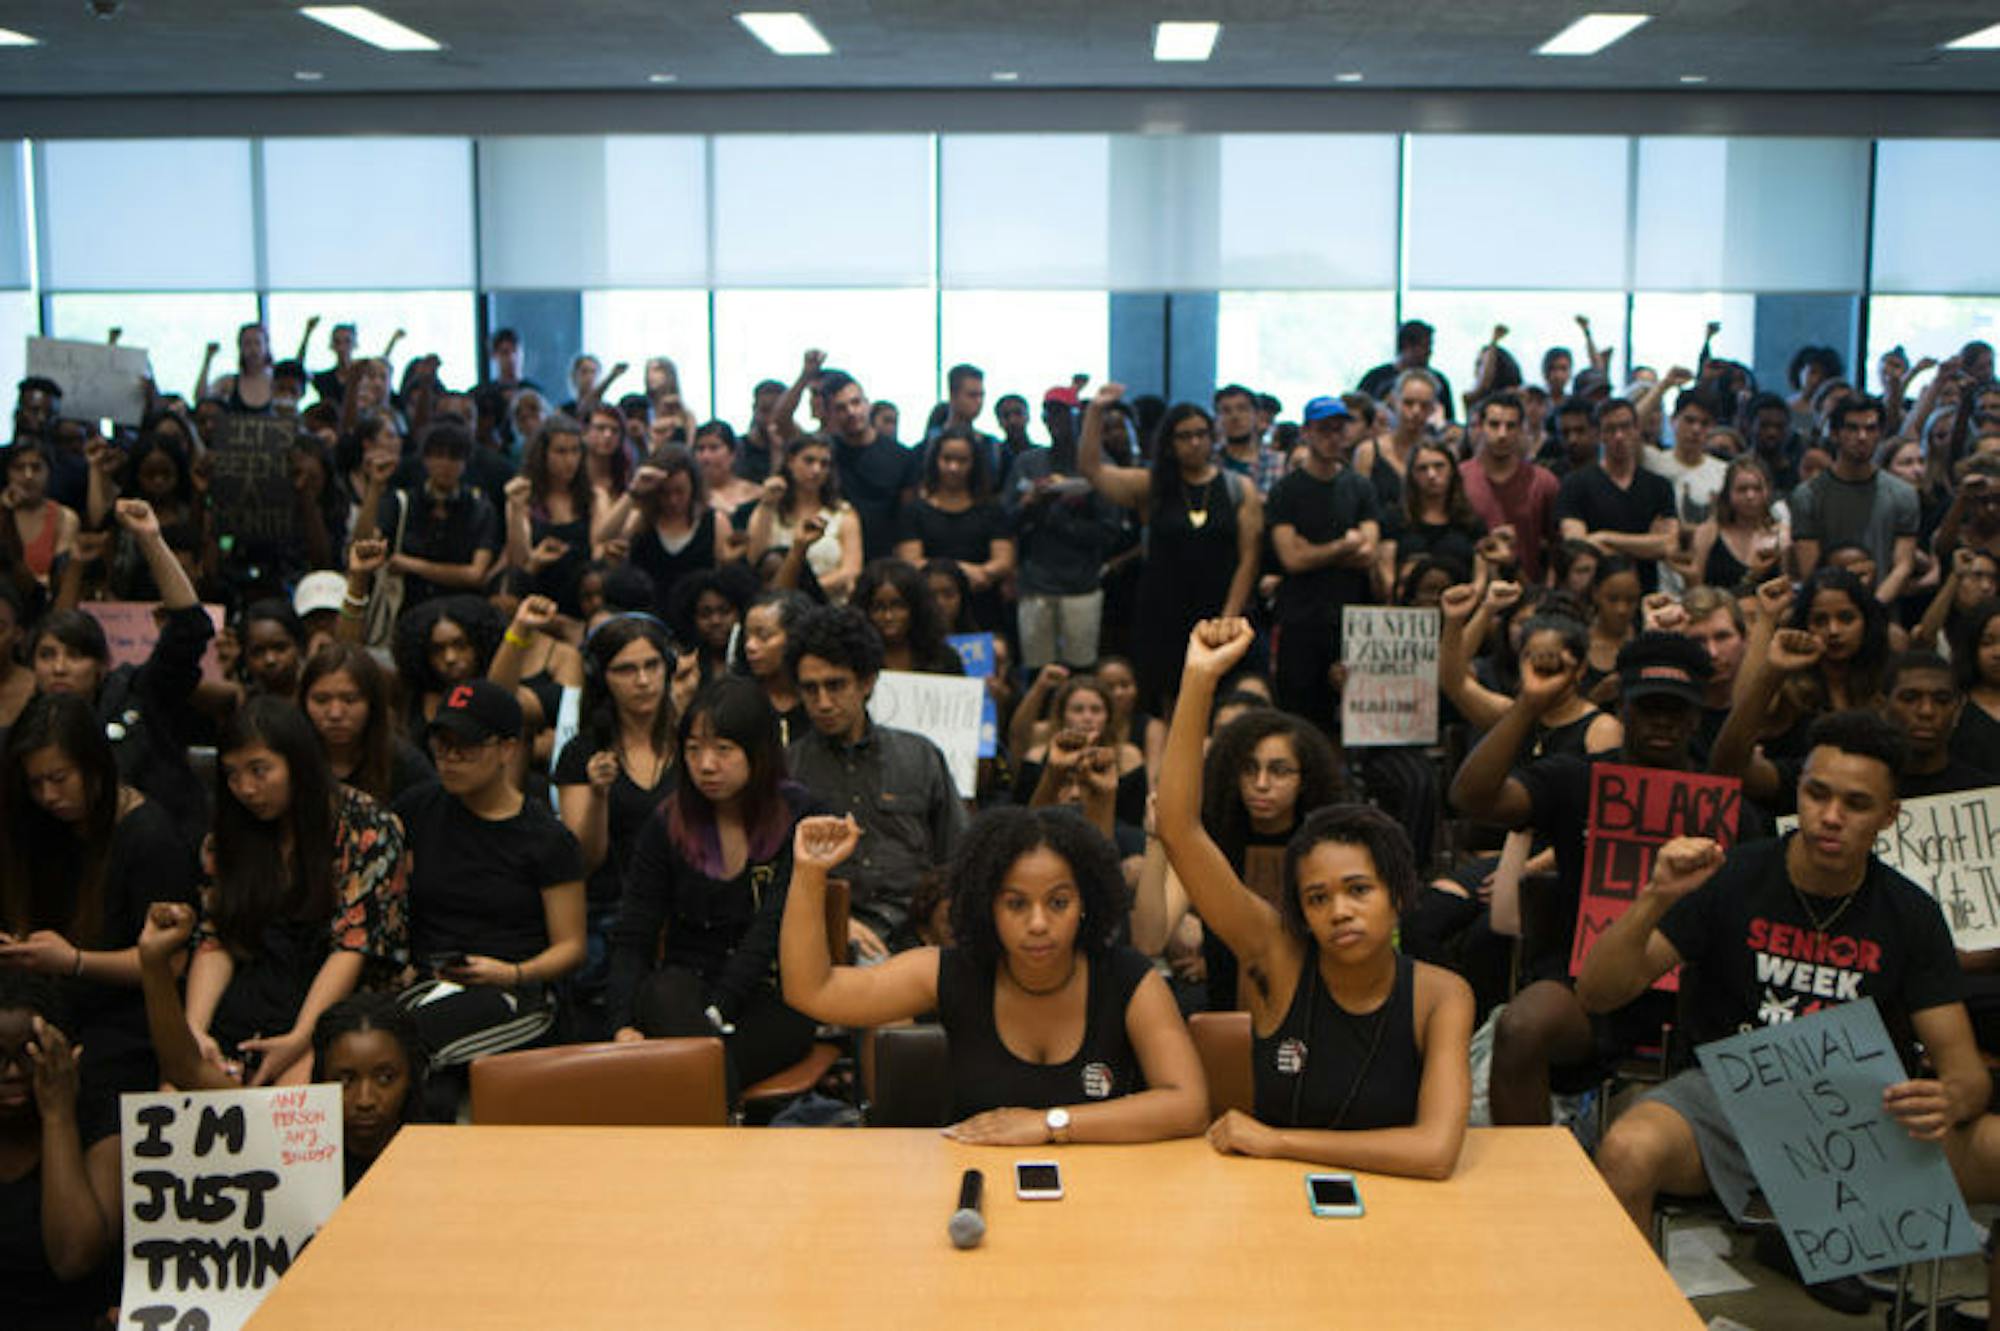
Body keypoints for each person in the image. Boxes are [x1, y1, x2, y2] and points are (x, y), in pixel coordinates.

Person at [1581, 713, 1987, 1311]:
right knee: (1626, 1150)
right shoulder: (1735, 877)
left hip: (1855, 1121)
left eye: (1856, 803)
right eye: (1816, 793)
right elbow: (1598, 992)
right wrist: (1653, 898)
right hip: (1727, 1099)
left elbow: (1966, 1072)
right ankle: (1637, 1320)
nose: (1829, 817)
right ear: (1798, 791)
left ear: (1888, 816)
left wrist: (1950, 1097)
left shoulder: (1910, 912)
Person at [1158, 618, 1472, 1176]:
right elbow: (1180, 828)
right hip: (1271, 1209)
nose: (1339, 911)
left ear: (1398, 895)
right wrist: (1198, 680)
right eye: (1317, 898)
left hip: (1401, 1212)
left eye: (1358, 890)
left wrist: (1280, 1143)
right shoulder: (1278, 958)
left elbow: (1434, 1152)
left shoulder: (1442, 996)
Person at [780, 806, 1210, 1143]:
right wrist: (809, 873)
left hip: (1104, 1191)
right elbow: (812, 991)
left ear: (1086, 903)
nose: (1038, 923)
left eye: (1058, 902)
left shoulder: (1127, 976)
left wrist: (1047, 1124)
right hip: (975, 1188)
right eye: (1016, 904)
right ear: (989, 906)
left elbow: (1189, 1105)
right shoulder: (950, 969)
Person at [1449, 632, 1722, 1125]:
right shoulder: (1577, 778)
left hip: (1684, 995)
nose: (1662, 721)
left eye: (1675, 710)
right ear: (1622, 708)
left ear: (1697, 716)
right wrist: (1529, 705)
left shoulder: (1722, 802)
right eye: (1648, 706)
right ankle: (1534, 1182)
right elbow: (1472, 795)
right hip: (1580, 987)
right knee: (1522, 1024)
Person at [182, 697, 410, 1087]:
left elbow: (353, 946)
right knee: (179, 1086)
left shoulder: (367, 825)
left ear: (298, 764)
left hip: (339, 1007)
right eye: (232, 775)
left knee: (290, 1110)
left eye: (260, 770)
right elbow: (215, 939)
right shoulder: (227, 836)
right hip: (253, 993)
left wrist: (301, 1039)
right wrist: (195, 1033)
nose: (246, 789)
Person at [608, 677, 817, 1089]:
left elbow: (770, 929)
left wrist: (719, 1010)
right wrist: (621, 1024)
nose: (705, 765)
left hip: (768, 991)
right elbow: (634, 931)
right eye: (693, 749)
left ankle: (707, 1119)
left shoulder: (800, 816)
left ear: (758, 751)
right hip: (684, 990)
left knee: (691, 1070)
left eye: (723, 750)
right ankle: (724, 1126)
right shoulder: (666, 823)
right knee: (667, 997)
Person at [139, 902, 426, 1192]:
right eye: (345, 1080)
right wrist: (153, 963)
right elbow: (184, 1068)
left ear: (411, 1076)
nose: (365, 1099)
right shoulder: (292, 1136)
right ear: (320, 1077)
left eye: (385, 1078)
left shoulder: (441, 1149)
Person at [1, 692, 199, 1108]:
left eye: (59, 779)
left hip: (126, 1018)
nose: (48, 796)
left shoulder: (149, 836)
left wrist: (74, 961)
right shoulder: (39, 824)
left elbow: (171, 965)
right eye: (36, 783)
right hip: (49, 1002)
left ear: (93, 765)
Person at [394, 681, 585, 1111]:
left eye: (466, 747)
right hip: (432, 980)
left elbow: (571, 947)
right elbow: (396, 903)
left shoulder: (546, 839)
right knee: (364, 1036)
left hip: (516, 990)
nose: (451, 759)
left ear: (507, 749)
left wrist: (513, 973)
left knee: (406, 1046)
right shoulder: (416, 809)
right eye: (442, 746)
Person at [784, 605, 966, 956]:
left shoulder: (920, 755)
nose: (822, 702)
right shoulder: (788, 768)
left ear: (866, 682)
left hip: (920, 933)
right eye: (810, 689)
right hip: (827, 936)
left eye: (835, 685)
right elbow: (777, 878)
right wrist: (835, 923)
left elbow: (956, 857)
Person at [1079, 383, 1263, 714]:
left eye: (1201, 434)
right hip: (1163, 615)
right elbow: (1092, 469)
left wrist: (1229, 616)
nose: (1195, 443)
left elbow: (1249, 556)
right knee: (1171, 706)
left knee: (1226, 705)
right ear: (1170, 442)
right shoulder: (1153, 486)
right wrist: (1095, 411)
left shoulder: (1238, 488)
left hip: (1219, 611)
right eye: (1184, 436)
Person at [554, 615, 678, 1042]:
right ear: (602, 677)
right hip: (611, 911)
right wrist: (598, 797)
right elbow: (584, 860)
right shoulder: (583, 751)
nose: (643, 681)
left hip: (687, 907)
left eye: (652, 666)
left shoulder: (695, 740)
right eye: (626, 670)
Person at [0, 970, 121, 1331]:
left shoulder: (98, 1116)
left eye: (28, 1054)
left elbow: (73, 1256)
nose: (10, 1072)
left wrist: (57, 1115)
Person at [1265, 396, 1381, 734]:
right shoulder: (1287, 491)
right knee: (1300, 722)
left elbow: (1368, 551)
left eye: (1338, 428)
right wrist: (1341, 546)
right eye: (1324, 429)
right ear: (1306, 432)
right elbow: (1292, 559)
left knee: (1353, 724)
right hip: (1301, 622)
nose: (1333, 436)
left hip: (1350, 621)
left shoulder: (1359, 487)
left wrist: (1315, 550)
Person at [1790, 396, 1918, 600]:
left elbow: (1903, 565)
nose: (1861, 437)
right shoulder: (1809, 495)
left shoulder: (1903, 494)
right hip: (1827, 607)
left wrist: (1873, 609)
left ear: (1880, 434)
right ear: (1834, 433)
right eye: (1852, 428)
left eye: (1870, 429)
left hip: (1883, 607)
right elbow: (1810, 570)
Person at [894, 425, 1015, 633]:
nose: (953, 467)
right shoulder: (914, 511)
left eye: (962, 461)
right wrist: (963, 572)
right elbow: (911, 562)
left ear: (974, 464)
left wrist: (984, 574)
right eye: (947, 459)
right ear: (934, 461)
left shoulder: (992, 509)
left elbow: (1004, 561)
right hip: (928, 609)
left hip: (983, 607)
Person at [299, 641, 434, 804]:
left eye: (350, 700)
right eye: (321, 700)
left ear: (372, 703)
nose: (335, 713)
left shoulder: (407, 766)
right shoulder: (289, 760)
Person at [747, 436, 862, 604]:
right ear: (790, 461)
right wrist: (767, 505)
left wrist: (806, 590)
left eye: (824, 464)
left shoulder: (843, 513)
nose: (816, 470)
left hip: (830, 606)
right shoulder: (768, 510)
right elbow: (755, 559)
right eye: (809, 461)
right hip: (776, 607)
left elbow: (851, 570)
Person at [1459, 392, 1560, 583]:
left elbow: (1557, 546)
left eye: (1510, 426)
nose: (1502, 434)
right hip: (1469, 588)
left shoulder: (1543, 482)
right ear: (1480, 427)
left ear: (1522, 429)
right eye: (1494, 425)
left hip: (1526, 590)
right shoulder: (1458, 478)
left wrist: (1547, 593)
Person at [503, 416, 595, 621]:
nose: (570, 460)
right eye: (561, 451)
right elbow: (519, 562)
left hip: (581, 601)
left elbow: (597, 550)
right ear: (543, 454)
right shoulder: (523, 497)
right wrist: (517, 509)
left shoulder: (592, 497)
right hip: (537, 599)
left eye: (575, 451)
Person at [1378, 438, 1488, 600]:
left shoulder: (1470, 520)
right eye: (1422, 469)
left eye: (1439, 466)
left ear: (1452, 470)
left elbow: (1481, 577)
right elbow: (1386, 572)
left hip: (1462, 606)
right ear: (1412, 475)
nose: (1431, 474)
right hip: (1409, 607)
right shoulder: (1395, 518)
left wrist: (1468, 601)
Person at [853, 559, 964, 677]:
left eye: (898, 605)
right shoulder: (853, 660)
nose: (888, 616)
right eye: (878, 607)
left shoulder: (944, 658)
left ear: (916, 607)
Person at [735, 588, 813, 747]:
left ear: (795, 636)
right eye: (746, 637)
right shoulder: (738, 699)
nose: (750, 646)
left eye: (763, 636)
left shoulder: (818, 698)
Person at [0, 443, 78, 587]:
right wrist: (5, 512)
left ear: (49, 472)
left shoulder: (65, 518)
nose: (28, 476)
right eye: (19, 468)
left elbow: (59, 578)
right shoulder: (3, 512)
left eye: (36, 468)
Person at [1359, 320, 1457, 424]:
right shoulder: (1375, 379)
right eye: (1425, 346)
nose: (1429, 352)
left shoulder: (1438, 381)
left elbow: (1448, 421)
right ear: (1407, 346)